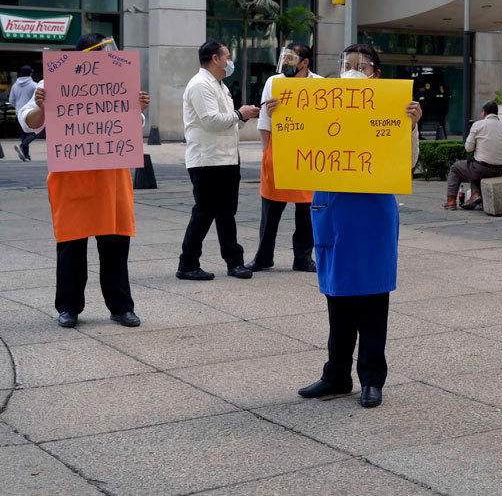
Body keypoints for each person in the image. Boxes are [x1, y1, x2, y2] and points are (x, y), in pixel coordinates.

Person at [296, 44, 422, 408]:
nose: (353, 71)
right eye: (347, 65)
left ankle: (371, 378)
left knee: (372, 300)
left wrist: (411, 124)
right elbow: (298, 148)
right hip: (334, 208)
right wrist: (283, 117)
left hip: (372, 213)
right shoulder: (319, 105)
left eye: (361, 66)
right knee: (337, 300)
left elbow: (407, 163)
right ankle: (336, 375)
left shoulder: (393, 109)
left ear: (376, 74)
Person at [18, 34, 149, 328]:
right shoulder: (53, 81)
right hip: (71, 176)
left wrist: (137, 106)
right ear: (87, 55)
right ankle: (68, 307)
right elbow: (30, 122)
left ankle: (121, 307)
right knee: (71, 245)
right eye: (103, 52)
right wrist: (42, 105)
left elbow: (133, 126)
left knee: (115, 243)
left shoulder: (119, 80)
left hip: (111, 178)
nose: (109, 58)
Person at [176, 40, 261, 281]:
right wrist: (239, 113)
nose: (230, 61)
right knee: (204, 213)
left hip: (226, 158)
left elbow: (228, 121)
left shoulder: (219, 85)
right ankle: (187, 264)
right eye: (227, 57)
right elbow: (211, 120)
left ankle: (234, 262)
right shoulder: (200, 84)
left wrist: (244, 116)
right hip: (207, 159)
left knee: (226, 213)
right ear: (215, 59)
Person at [246, 42, 322, 274]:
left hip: (308, 155)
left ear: (305, 62)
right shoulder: (274, 82)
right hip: (279, 151)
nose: (286, 62)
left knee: (306, 211)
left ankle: (303, 258)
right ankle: (263, 257)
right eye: (284, 57)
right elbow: (264, 122)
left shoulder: (319, 84)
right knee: (270, 210)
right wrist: (266, 152)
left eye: (291, 58)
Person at [442, 100, 502, 210]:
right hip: (499, 169)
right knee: (473, 166)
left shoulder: (478, 125)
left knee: (456, 167)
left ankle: (451, 201)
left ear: (484, 112)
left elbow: (468, 148)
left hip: (480, 168)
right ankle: (475, 195)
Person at [9, 65, 37, 161]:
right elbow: (37, 99)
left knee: (24, 133)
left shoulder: (15, 86)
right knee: (36, 131)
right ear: (30, 73)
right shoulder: (34, 85)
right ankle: (22, 146)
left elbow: (11, 100)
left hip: (19, 113)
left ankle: (25, 155)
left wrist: (18, 108)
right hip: (30, 112)